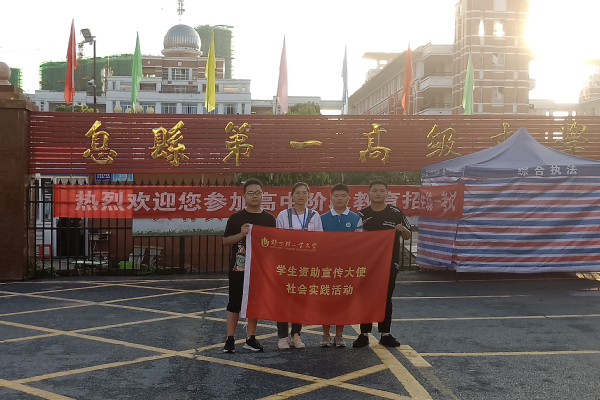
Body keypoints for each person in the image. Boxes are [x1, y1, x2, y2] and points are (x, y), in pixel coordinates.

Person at [352, 180, 411, 349]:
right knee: (366, 297)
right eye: (375, 191)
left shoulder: (396, 213)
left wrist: (402, 229)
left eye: (381, 191)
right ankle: (364, 334)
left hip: (390, 262)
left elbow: (408, 236)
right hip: (367, 263)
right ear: (369, 193)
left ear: (387, 193)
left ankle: (385, 334)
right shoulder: (361, 215)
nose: (378, 193)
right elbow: (355, 239)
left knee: (386, 297)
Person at [222, 178, 276, 353]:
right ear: (244, 196)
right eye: (251, 193)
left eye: (258, 192)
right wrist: (241, 234)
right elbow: (225, 241)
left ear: (263, 194)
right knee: (234, 303)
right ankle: (230, 339)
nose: (254, 196)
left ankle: (250, 338)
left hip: (259, 269)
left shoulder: (269, 219)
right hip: (238, 268)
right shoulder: (236, 218)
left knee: (254, 303)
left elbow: (273, 244)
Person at [275, 182, 324, 349]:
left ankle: (296, 335)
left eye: (304, 193)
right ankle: (283, 337)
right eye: (298, 193)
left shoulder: (314, 215)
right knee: (283, 300)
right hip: (286, 264)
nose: (301, 196)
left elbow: (319, 240)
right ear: (292, 196)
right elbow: (278, 239)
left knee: (299, 299)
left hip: (305, 265)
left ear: (309, 195)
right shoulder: (283, 215)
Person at [319, 183, 362, 348]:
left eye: (343, 196)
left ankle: (339, 335)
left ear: (349, 198)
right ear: (331, 197)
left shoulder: (356, 219)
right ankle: (325, 334)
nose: (339, 198)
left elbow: (360, 243)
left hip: (346, 268)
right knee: (326, 300)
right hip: (325, 267)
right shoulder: (321, 218)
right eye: (336, 196)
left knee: (343, 300)